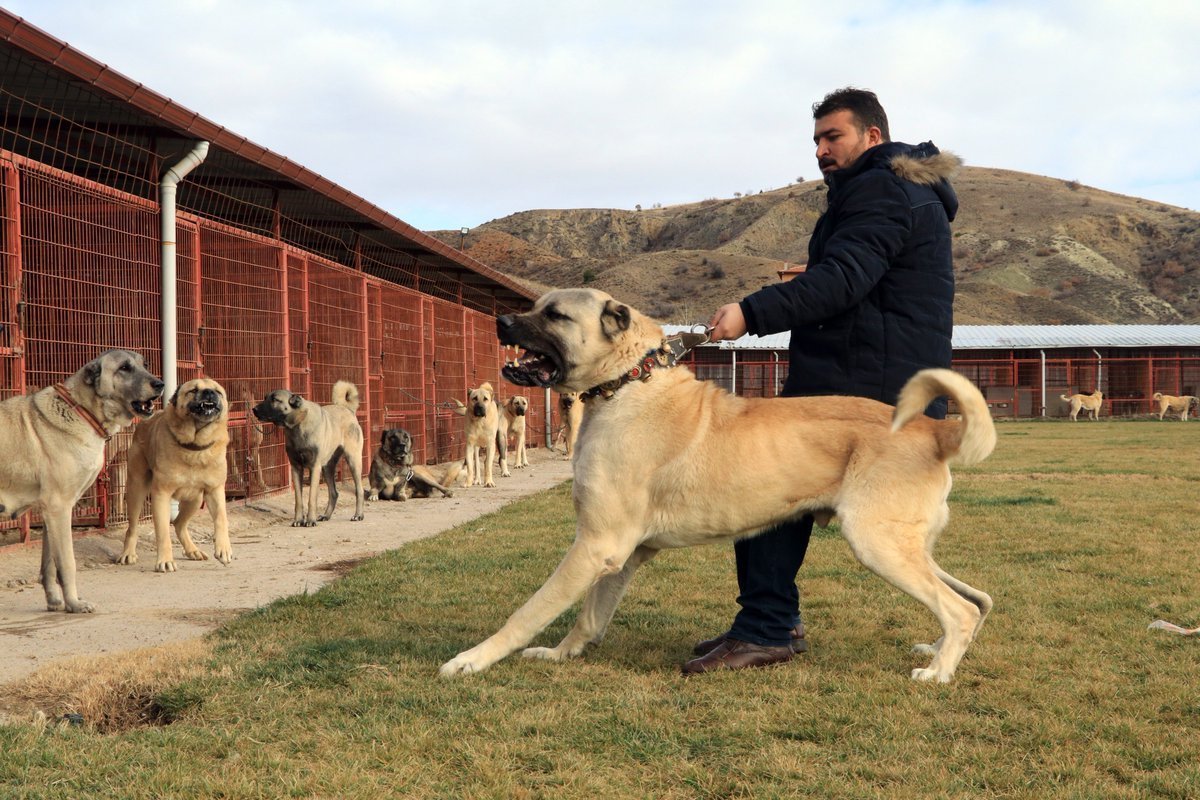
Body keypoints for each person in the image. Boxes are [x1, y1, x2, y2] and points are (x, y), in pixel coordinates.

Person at [683, 87, 960, 674]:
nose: (820, 150)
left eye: (833, 137)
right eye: (815, 140)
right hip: (870, 374)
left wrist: (750, 313)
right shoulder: (879, 192)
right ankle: (769, 621)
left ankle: (766, 626)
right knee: (766, 491)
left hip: (868, 384)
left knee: (761, 487)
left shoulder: (883, 188)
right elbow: (857, 278)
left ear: (873, 137)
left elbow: (843, 280)